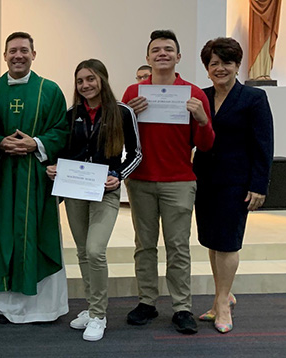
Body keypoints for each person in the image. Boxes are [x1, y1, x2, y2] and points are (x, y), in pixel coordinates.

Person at [121, 30, 215, 335]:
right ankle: (146, 301)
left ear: (178, 57)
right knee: (144, 246)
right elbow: (120, 139)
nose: (162, 54)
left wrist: (202, 119)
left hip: (179, 181)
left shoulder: (195, 94)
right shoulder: (133, 93)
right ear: (148, 58)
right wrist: (128, 117)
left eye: (168, 49)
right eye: (156, 50)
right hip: (141, 180)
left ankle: (182, 307)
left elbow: (207, 144)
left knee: (178, 247)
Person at [46, 59, 142, 341]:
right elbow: (62, 149)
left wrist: (119, 176)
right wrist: (53, 166)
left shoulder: (122, 112)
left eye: (90, 79)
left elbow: (136, 154)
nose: (85, 85)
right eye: (80, 81)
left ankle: (99, 314)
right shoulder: (70, 114)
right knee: (82, 251)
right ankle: (91, 307)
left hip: (104, 191)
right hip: (75, 190)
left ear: (102, 79)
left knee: (95, 249)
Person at [0, 31, 70, 324]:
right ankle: (0, 304)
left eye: (24, 50)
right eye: (12, 51)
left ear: (34, 54)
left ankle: (42, 307)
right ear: (4, 55)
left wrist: (36, 143)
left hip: (36, 177)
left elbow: (62, 130)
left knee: (36, 234)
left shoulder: (50, 90)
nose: (18, 55)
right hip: (2, 178)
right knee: (1, 234)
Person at [194, 37, 274, 333]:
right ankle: (221, 296)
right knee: (213, 242)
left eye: (226, 62)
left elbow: (263, 144)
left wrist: (259, 185)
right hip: (204, 180)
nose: (220, 68)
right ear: (207, 68)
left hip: (236, 182)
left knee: (228, 242)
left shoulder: (253, 98)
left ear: (237, 65)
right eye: (214, 63)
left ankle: (223, 305)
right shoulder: (200, 96)